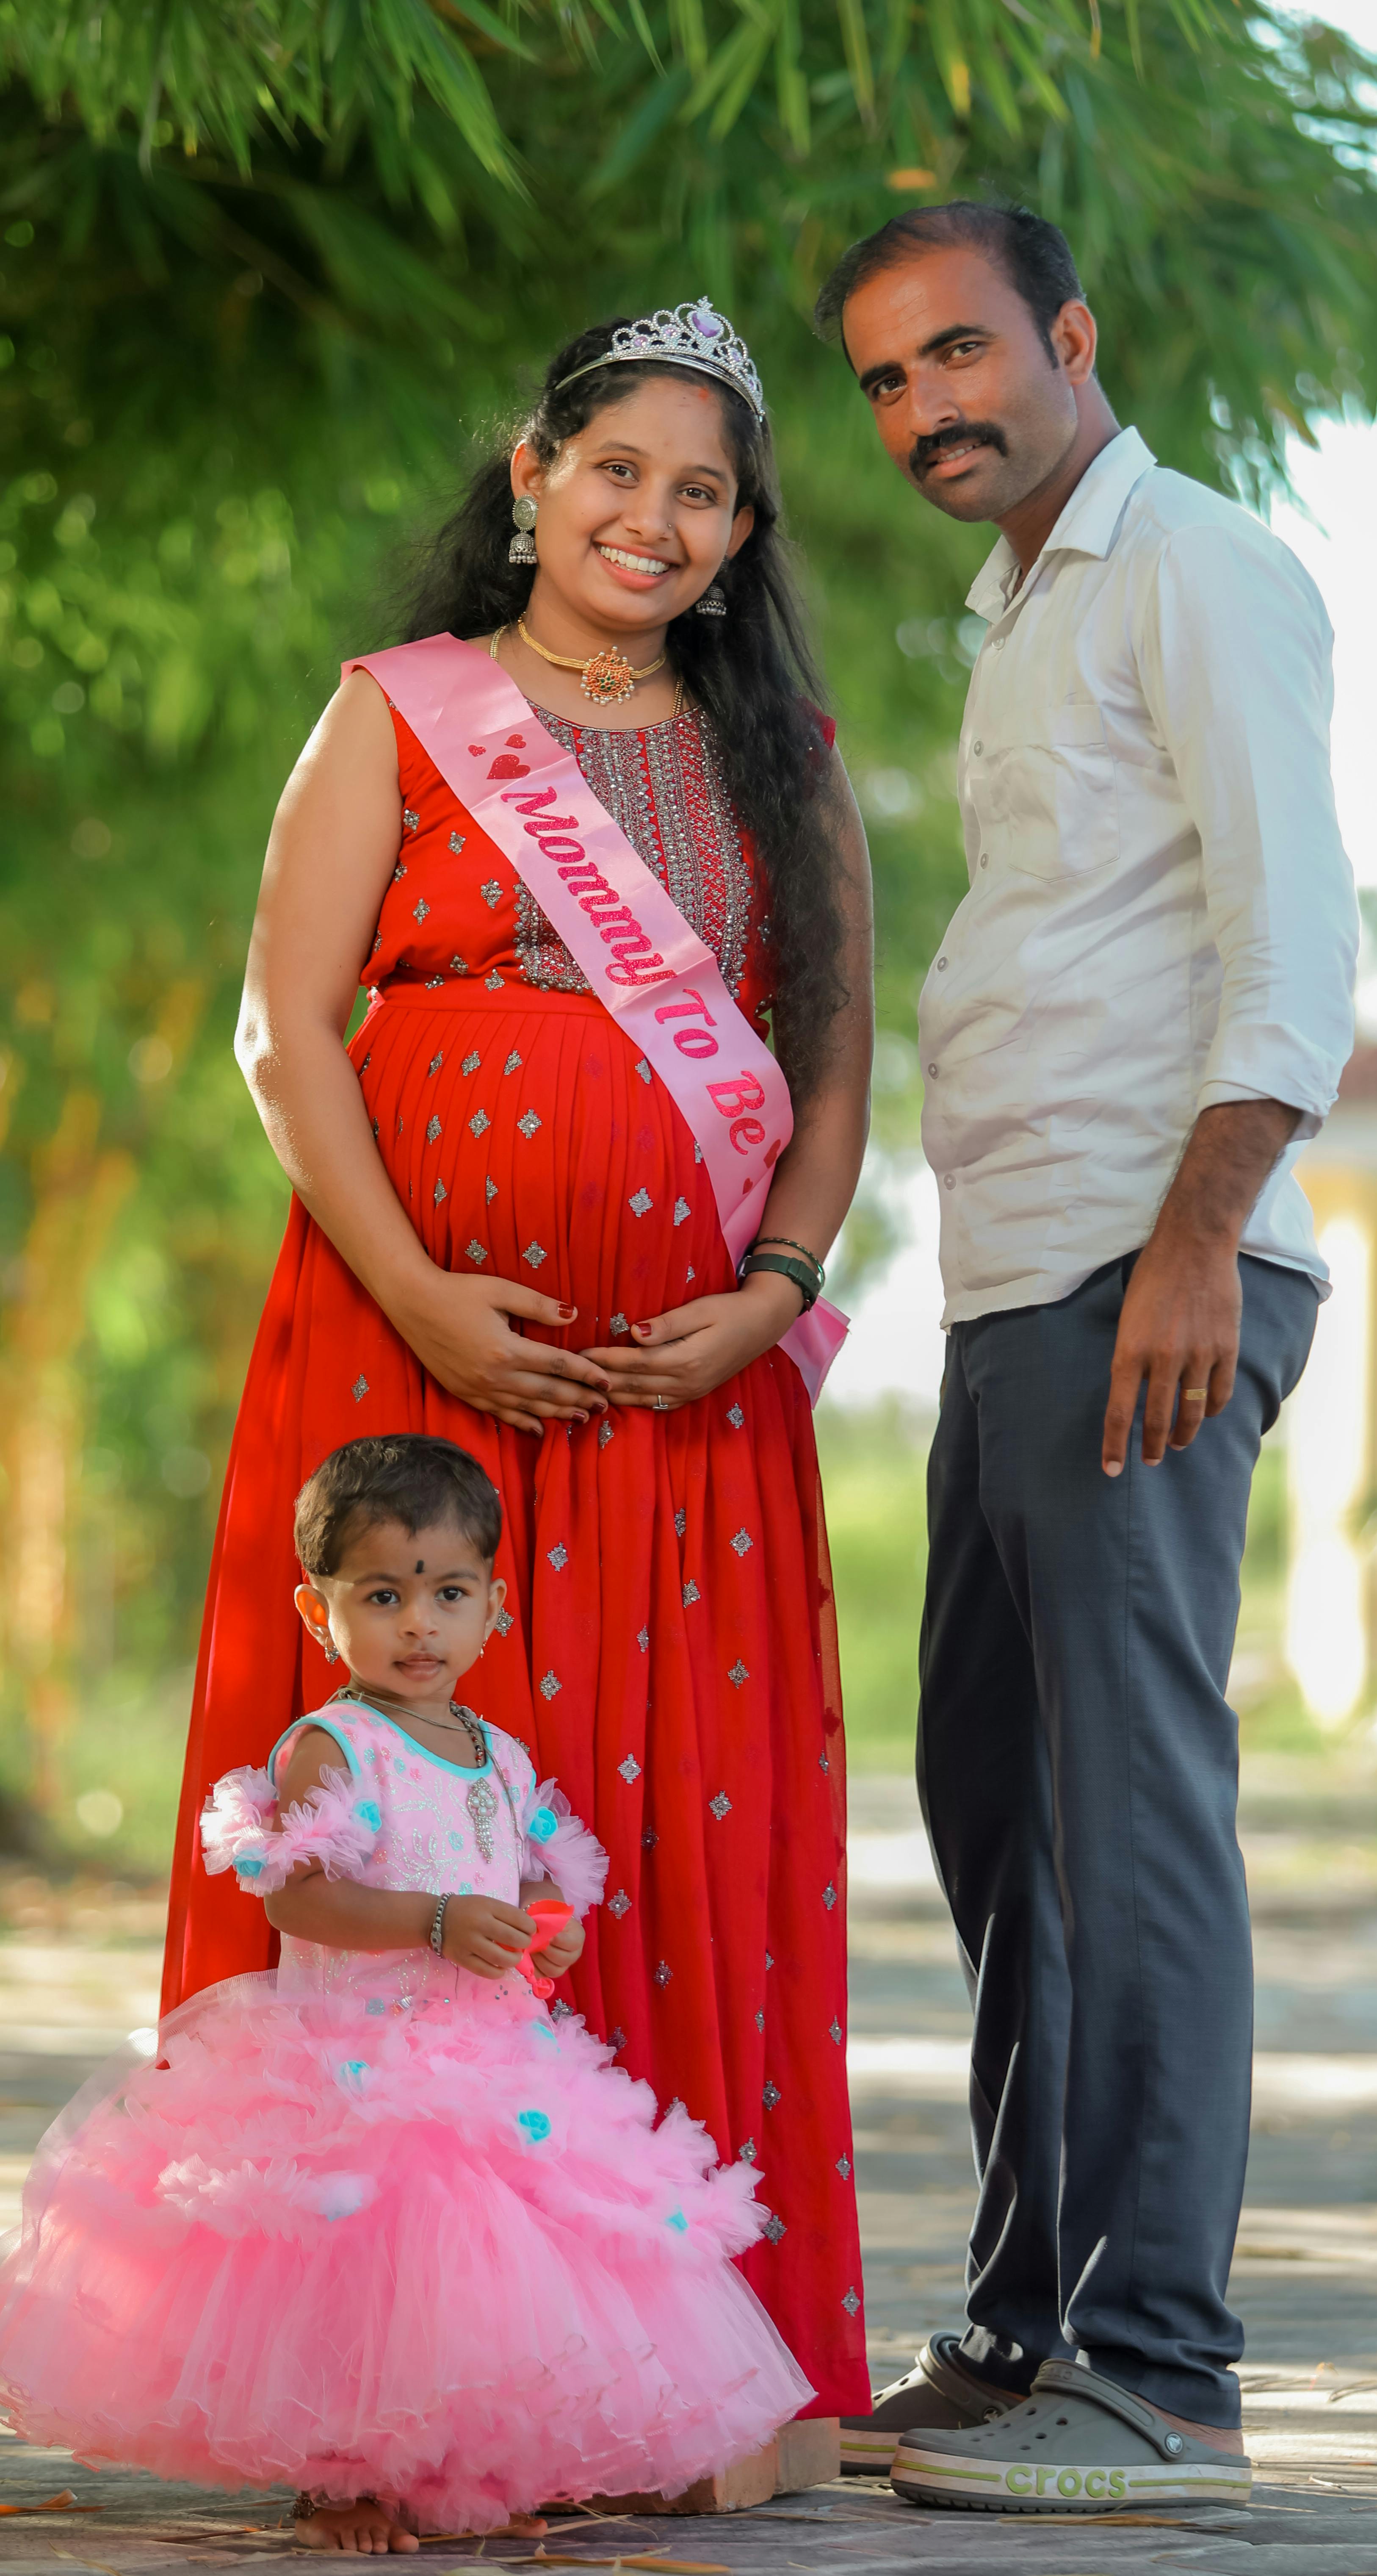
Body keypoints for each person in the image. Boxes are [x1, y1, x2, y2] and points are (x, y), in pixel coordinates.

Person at [158, 303, 876, 2429]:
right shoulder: (397, 715)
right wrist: (420, 1294)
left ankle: (662, 2374)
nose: (652, 518)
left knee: (654, 1811)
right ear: (531, 477)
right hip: (412, 1345)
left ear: (740, 540)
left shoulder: (788, 759)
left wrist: (775, 1284)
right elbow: (286, 1029)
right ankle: (399, 2377)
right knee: (427, 1816)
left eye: (703, 492)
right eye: (617, 471)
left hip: (689, 1382)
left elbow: (833, 1062)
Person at [816, 205, 1357, 2511]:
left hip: (1148, 1267)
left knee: (1125, 1824)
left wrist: (1197, 1240)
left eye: (960, 352)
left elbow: (1291, 924)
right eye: (881, 380)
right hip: (1013, 1275)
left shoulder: (1191, 566)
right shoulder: (1017, 603)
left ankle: (1160, 2368)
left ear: (1069, 338)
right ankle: (1028, 2317)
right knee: (1002, 1815)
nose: (929, 404)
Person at [0, 1436, 813, 2547]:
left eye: (447, 1593)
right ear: (316, 1609)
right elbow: (299, 1899)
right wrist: (432, 1921)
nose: (418, 1623)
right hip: (357, 2063)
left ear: (493, 1603)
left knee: (494, 2277)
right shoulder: (333, 1748)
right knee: (355, 2273)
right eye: (382, 1595)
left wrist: (543, 1923)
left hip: (494, 2067)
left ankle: (474, 2464)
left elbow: (521, 1869)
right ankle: (344, 2476)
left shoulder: (501, 1754)